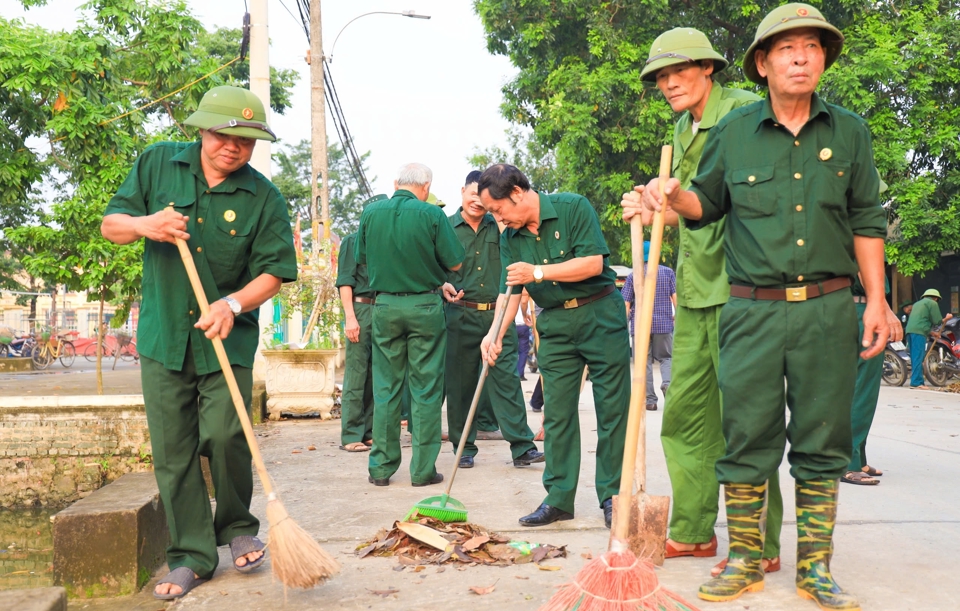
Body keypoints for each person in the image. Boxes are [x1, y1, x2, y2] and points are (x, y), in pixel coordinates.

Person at [636, 5, 890, 607]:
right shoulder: (735, 131)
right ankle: (747, 558)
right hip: (749, 310)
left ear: (823, 59)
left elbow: (866, 219)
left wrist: (877, 299)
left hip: (827, 308)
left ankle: (816, 568)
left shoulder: (850, 131)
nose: (800, 56)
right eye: (786, 48)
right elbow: (706, 203)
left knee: (822, 438)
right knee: (745, 434)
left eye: (811, 47)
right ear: (762, 63)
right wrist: (669, 199)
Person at [100, 85, 297, 599]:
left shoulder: (264, 197)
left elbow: (274, 272)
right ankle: (191, 555)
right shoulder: (157, 164)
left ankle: (235, 526)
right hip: (166, 336)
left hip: (225, 339)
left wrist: (232, 304)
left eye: (246, 140)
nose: (233, 147)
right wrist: (148, 224)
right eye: (223, 135)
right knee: (174, 448)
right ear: (202, 130)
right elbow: (111, 225)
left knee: (227, 434)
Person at [622, 26, 784, 576]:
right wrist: (649, 207)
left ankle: (758, 542)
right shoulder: (680, 128)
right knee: (686, 416)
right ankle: (693, 532)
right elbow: (692, 209)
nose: (669, 83)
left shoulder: (744, 113)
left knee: (747, 421)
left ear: (709, 68)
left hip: (743, 289)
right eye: (661, 76)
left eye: (679, 71)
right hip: (693, 290)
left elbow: (755, 194)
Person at [477, 164, 631, 529]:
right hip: (556, 323)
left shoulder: (573, 207)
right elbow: (510, 288)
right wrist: (494, 334)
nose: (499, 219)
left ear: (516, 192)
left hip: (600, 314)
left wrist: (540, 273)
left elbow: (593, 263)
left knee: (612, 410)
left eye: (498, 210)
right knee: (557, 414)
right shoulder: (510, 237)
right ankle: (559, 497)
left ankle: (612, 495)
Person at [356, 163, 465, 487]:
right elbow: (456, 261)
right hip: (424, 306)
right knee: (426, 390)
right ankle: (422, 471)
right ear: (426, 186)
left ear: (396, 183)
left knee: (386, 388)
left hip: (385, 305)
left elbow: (363, 257)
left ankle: (381, 469)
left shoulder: (371, 214)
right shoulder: (431, 215)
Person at [440, 171, 543, 470]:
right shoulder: (445, 227)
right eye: (472, 195)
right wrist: (441, 285)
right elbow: (432, 264)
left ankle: (522, 447)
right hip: (460, 315)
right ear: (462, 192)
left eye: (482, 198)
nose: (477, 201)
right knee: (460, 385)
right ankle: (464, 447)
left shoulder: (502, 225)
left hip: (499, 314)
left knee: (506, 381)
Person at [335, 196, 387, 453]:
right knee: (356, 372)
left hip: (384, 308)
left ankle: (368, 432)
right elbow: (345, 281)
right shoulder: (352, 241)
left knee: (377, 374)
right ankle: (351, 434)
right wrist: (350, 317)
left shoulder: (387, 242)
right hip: (360, 307)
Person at [621, 241, 676, 410]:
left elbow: (626, 304)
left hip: (640, 326)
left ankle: (650, 400)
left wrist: (624, 325)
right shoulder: (667, 273)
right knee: (667, 358)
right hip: (664, 324)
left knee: (643, 362)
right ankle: (667, 384)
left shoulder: (633, 276)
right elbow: (676, 298)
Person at [905, 288, 953, 389]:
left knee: (915, 357)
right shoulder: (932, 303)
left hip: (909, 331)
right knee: (918, 357)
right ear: (935, 298)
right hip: (919, 333)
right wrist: (947, 318)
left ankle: (915, 380)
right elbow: (937, 321)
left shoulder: (917, 304)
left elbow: (920, 322)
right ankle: (917, 383)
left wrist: (933, 333)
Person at [516, 288, 533, 381]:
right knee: (523, 351)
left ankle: (513, 373)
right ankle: (520, 373)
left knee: (513, 350)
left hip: (513, 325)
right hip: (523, 325)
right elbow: (524, 302)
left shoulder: (512, 295)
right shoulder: (526, 298)